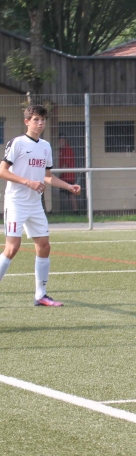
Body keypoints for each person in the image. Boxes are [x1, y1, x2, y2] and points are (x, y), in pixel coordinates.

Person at [0, 105, 81, 307]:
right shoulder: (17, 143)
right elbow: (2, 171)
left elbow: (47, 176)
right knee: (12, 248)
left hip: (35, 204)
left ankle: (41, 295)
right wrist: (27, 182)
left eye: (43, 120)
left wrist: (68, 186)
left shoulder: (45, 146)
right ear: (27, 122)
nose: (40, 123)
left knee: (44, 246)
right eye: (36, 119)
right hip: (16, 203)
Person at [57, 136, 78, 212]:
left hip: (68, 176)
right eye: (59, 140)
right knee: (67, 193)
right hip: (63, 176)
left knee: (71, 194)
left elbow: (65, 164)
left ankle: (76, 211)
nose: (60, 142)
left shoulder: (67, 149)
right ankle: (66, 210)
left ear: (65, 140)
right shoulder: (61, 150)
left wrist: (58, 173)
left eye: (62, 140)